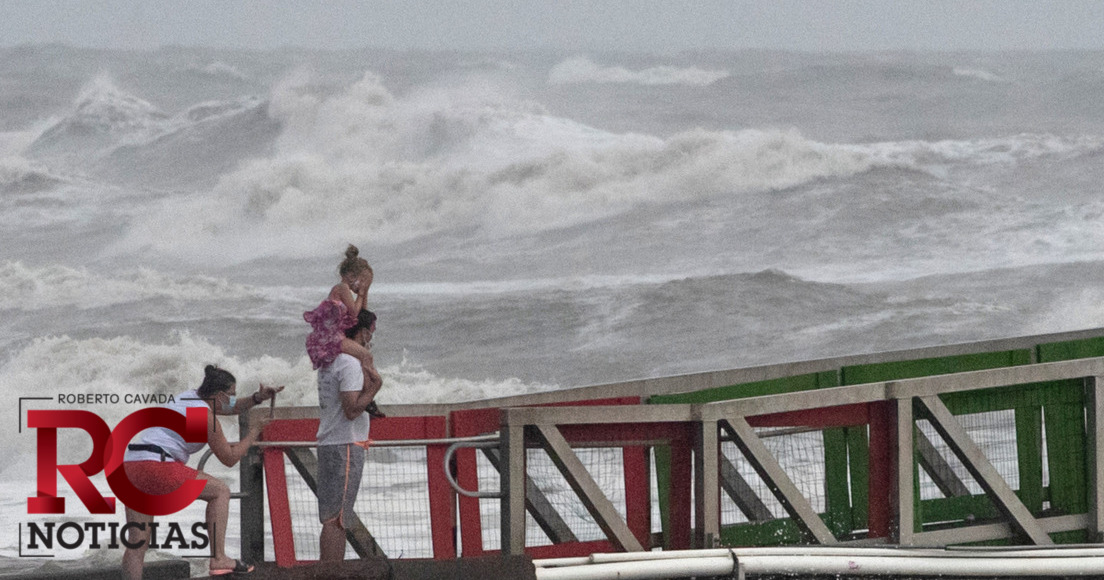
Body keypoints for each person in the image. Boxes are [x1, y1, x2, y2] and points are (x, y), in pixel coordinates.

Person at [121, 365, 283, 579]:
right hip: (156, 464)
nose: (234, 400)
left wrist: (256, 398)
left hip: (131, 463)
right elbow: (229, 458)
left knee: (137, 542)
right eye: (231, 395)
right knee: (220, 491)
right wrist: (253, 432)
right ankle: (219, 558)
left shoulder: (189, 397)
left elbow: (229, 407)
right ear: (218, 395)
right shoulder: (204, 417)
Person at [317, 309, 383, 561]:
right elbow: (352, 409)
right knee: (338, 519)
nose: (371, 338)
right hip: (345, 444)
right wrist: (375, 388)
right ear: (362, 332)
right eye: (370, 333)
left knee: (331, 516)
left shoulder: (330, 359)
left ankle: (328, 569)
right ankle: (332, 571)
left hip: (330, 441)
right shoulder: (350, 363)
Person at [304, 244, 385, 418]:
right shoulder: (342, 288)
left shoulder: (345, 290)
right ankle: (370, 394)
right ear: (350, 276)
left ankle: (368, 395)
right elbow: (355, 312)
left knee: (363, 355)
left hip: (336, 336)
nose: (361, 287)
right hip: (333, 337)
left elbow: (361, 313)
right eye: (361, 282)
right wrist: (361, 293)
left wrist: (365, 292)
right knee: (366, 356)